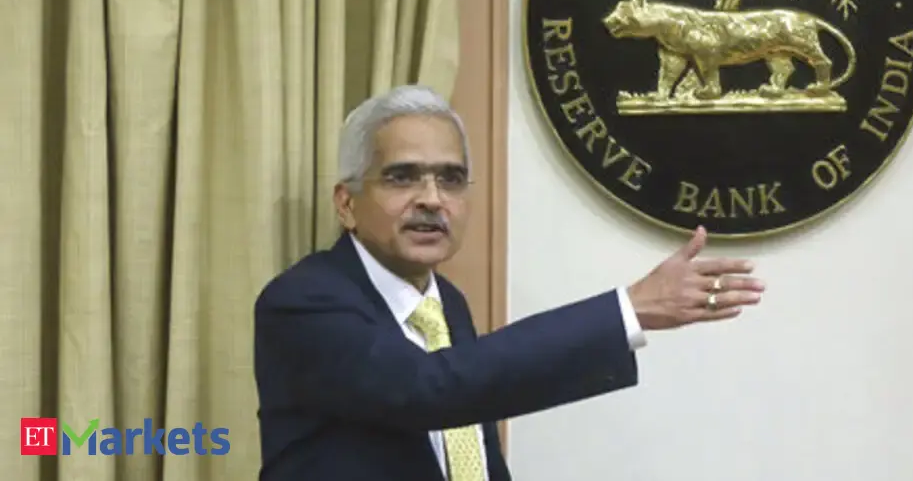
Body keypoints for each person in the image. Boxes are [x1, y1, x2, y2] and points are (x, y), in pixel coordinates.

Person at [253, 85, 766, 481]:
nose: (432, 199)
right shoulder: (301, 301)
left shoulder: (446, 303)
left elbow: (470, 442)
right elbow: (428, 389)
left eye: (451, 179)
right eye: (402, 177)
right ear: (346, 204)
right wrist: (625, 310)